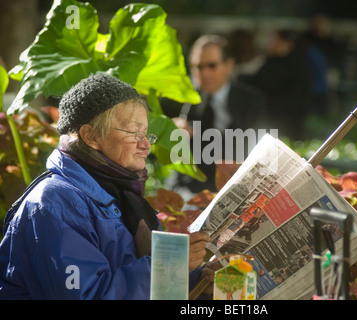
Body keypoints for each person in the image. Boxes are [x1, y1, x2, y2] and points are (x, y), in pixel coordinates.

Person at [0, 73, 216, 299]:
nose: (146, 146)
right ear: (91, 136)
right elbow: (85, 295)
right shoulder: (54, 201)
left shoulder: (119, 191)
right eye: (135, 133)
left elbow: (136, 279)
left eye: (146, 135)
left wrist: (198, 283)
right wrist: (170, 266)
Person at [162, 34, 268, 196]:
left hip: (237, 187)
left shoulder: (251, 101)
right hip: (192, 190)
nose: (204, 74)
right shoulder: (178, 102)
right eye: (198, 67)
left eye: (212, 66)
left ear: (229, 65)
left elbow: (259, 152)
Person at [238, 29, 313, 140]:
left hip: (283, 123)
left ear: (285, 44)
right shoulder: (291, 61)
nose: (269, 44)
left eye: (273, 41)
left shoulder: (288, 65)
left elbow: (260, 82)